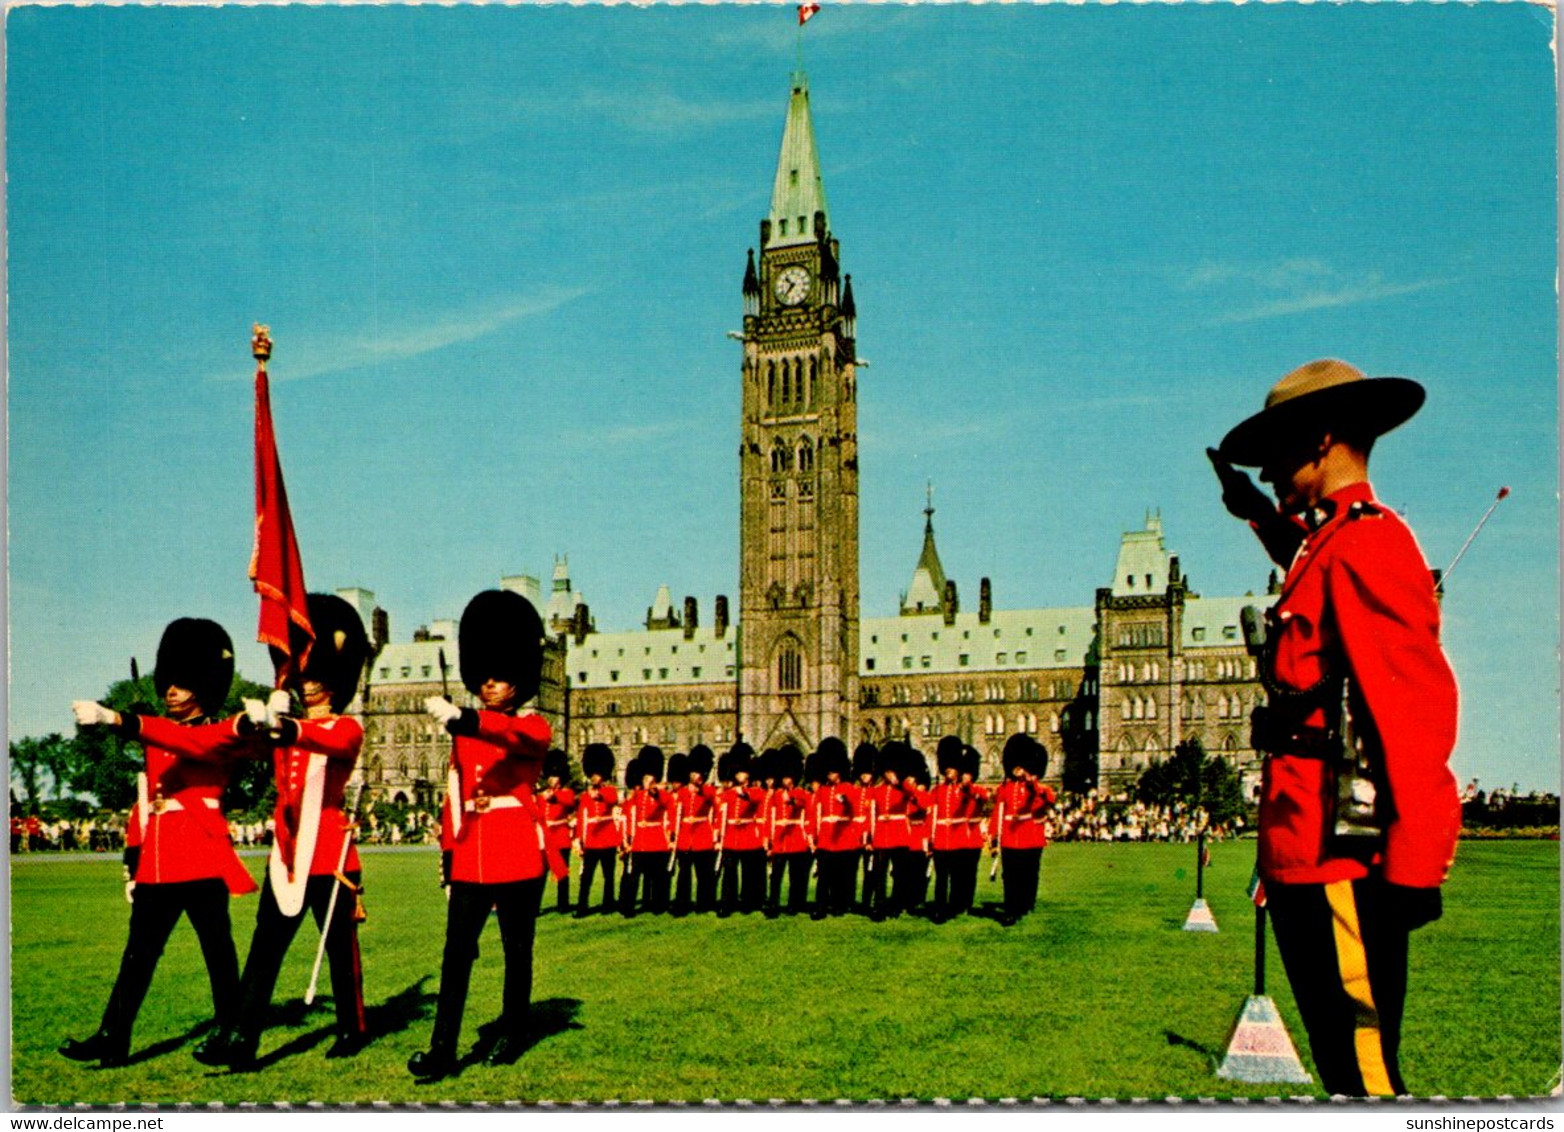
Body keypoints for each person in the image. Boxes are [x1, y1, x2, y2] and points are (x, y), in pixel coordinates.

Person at [1210, 358, 1460, 1097]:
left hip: (1340, 859)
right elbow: (1305, 556)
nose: (1270, 468)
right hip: (1302, 850)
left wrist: (1413, 866)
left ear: (1321, 443)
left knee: (1367, 1077)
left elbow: (1414, 713)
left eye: (1279, 453)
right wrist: (1254, 508)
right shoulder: (1328, 544)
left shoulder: (1371, 544)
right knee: (1342, 1068)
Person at [61, 619, 257, 1069]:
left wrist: (120, 719)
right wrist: (133, 862)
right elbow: (145, 801)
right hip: (159, 861)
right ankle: (113, 1035)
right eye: (168, 681)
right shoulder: (157, 729)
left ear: (204, 687)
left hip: (202, 856)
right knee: (137, 956)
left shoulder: (217, 731)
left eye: (183, 683)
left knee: (219, 956)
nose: (171, 691)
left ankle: (234, 1033)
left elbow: (190, 743)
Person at [204, 594, 372, 1067]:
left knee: (340, 950)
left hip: (330, 855)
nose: (312, 685)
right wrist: (255, 722)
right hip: (288, 856)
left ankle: (352, 1027)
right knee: (265, 950)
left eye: (319, 678)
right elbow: (244, 746)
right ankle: (243, 1038)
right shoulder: (289, 725)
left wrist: (283, 727)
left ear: (336, 681)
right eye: (307, 677)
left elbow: (322, 738)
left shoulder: (346, 727)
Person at [407, 590, 562, 1080]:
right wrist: (449, 855)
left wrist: (466, 718)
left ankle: (514, 1031)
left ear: (518, 677)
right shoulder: (467, 732)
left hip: (516, 851)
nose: (489, 682)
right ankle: (443, 1048)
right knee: (456, 955)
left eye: (499, 674)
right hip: (472, 854)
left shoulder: (533, 725)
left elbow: (511, 736)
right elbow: (455, 795)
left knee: (517, 951)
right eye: (484, 674)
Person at [989, 734, 1054, 926]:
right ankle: (1011, 908)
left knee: (1029, 872)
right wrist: (994, 835)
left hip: (1030, 834)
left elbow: (1048, 799)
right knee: (1009, 874)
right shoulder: (1005, 788)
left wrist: (1030, 779)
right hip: (1010, 835)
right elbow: (997, 813)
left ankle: (1026, 902)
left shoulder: (1035, 787)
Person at [618, 746, 671, 917]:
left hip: (657, 841)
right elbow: (628, 816)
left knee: (658, 877)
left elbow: (669, 808)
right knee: (633, 876)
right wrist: (625, 841)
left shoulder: (662, 796)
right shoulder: (637, 796)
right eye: (646, 777)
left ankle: (658, 905)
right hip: (639, 842)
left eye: (651, 777)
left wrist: (657, 794)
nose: (648, 780)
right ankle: (628, 906)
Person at [809, 738, 858, 919]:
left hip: (842, 836)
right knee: (824, 876)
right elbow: (817, 814)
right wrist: (813, 837)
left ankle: (839, 905)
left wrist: (845, 800)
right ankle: (821, 907)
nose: (830, 774)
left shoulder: (848, 788)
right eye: (828, 771)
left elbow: (853, 809)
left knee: (839, 875)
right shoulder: (822, 791)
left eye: (833, 770)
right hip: (826, 838)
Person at [717, 744, 767, 916]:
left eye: (743, 772)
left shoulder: (756, 791)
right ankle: (727, 903)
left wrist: (743, 794)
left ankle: (747, 902)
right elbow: (720, 814)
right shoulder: (728, 793)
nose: (740, 776)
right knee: (729, 873)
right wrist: (719, 836)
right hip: (731, 836)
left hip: (748, 835)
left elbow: (756, 801)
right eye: (738, 773)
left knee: (748, 872)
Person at [764, 746, 812, 917]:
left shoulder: (801, 793)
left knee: (794, 876)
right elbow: (770, 817)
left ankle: (793, 904)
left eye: (788, 776)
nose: (786, 780)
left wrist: (791, 800)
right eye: (784, 776)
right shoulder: (775, 795)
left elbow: (801, 804)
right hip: (779, 839)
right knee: (775, 876)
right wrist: (767, 839)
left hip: (795, 838)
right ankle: (773, 904)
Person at [671, 746, 719, 915]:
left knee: (704, 874)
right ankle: (682, 903)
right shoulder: (682, 792)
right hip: (685, 837)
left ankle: (704, 903)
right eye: (693, 772)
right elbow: (675, 813)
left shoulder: (708, 791)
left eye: (699, 772)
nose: (695, 775)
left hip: (702, 835)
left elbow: (716, 806)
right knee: (684, 874)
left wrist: (716, 836)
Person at [573, 744, 619, 917]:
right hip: (591, 840)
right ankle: (582, 906)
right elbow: (581, 818)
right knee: (586, 877)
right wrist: (579, 839)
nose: (594, 778)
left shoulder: (610, 790)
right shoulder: (585, 796)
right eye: (592, 775)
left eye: (597, 775)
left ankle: (608, 904)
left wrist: (599, 795)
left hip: (607, 839)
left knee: (608, 876)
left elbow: (612, 800)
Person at [540, 750, 578, 914]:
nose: (552, 779)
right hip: (545, 839)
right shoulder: (542, 795)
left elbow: (569, 802)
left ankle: (563, 904)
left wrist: (554, 797)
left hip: (561, 837)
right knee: (540, 875)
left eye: (555, 776)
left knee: (562, 873)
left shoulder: (567, 793)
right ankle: (534, 906)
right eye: (550, 776)